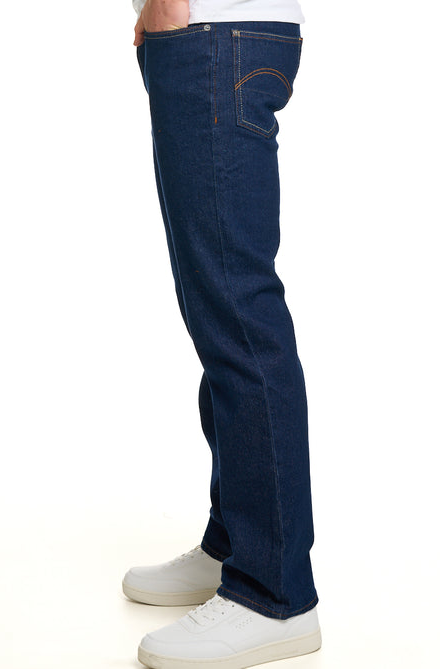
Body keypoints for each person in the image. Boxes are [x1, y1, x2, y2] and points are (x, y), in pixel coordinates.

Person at [123, 0, 321, 666]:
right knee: (220, 313)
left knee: (238, 314)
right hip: (209, 33)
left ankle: (273, 594)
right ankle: (236, 545)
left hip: (211, 33)